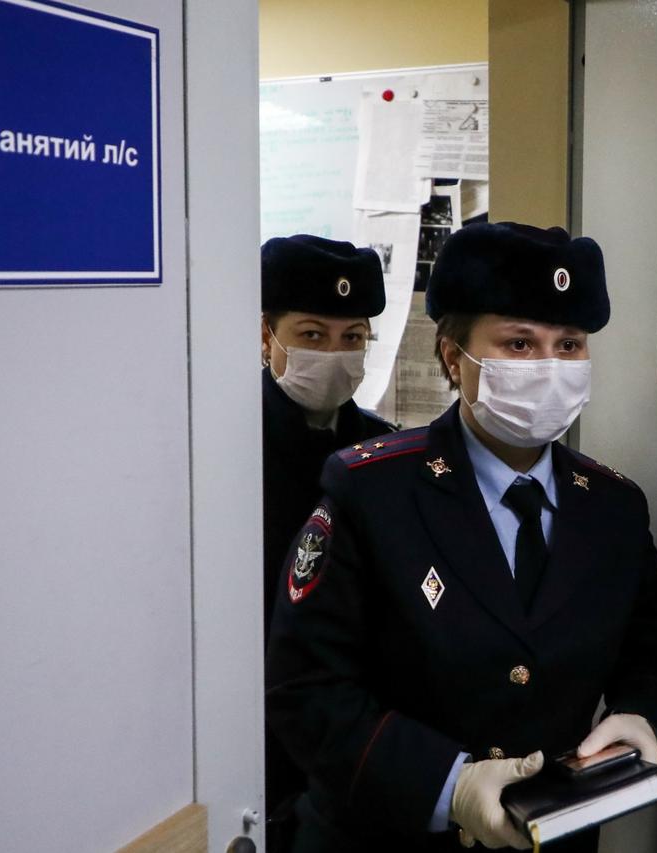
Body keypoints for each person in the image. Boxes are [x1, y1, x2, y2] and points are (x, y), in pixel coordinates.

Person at [266, 222, 657, 852]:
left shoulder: (613, 511)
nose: (548, 367)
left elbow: (654, 658)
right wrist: (449, 786)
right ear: (451, 356)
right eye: (519, 344)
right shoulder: (371, 493)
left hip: (552, 835)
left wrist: (640, 717)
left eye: (568, 344)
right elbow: (307, 689)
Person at [261, 234, 396, 852]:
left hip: (350, 734)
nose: (335, 355)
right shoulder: (219, 442)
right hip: (251, 729)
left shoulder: (386, 454)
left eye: (353, 338)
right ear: (268, 336)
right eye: (312, 336)